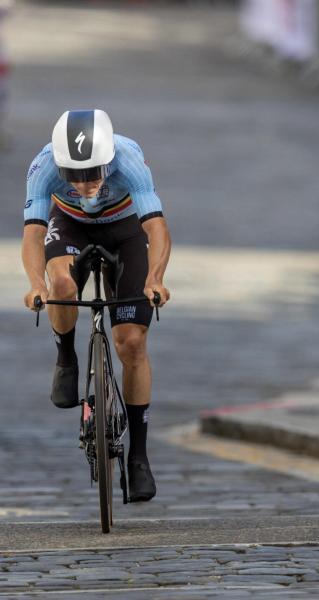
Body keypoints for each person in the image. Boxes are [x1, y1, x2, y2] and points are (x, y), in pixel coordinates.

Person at [21, 109, 171, 502]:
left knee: (132, 344)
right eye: (74, 175)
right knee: (63, 283)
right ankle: (66, 356)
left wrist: (155, 278)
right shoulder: (43, 166)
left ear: (109, 161)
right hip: (69, 225)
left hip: (124, 228)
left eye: (93, 172)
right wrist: (37, 284)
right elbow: (34, 234)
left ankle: (138, 456)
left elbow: (155, 227)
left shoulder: (129, 160)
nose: (85, 183)